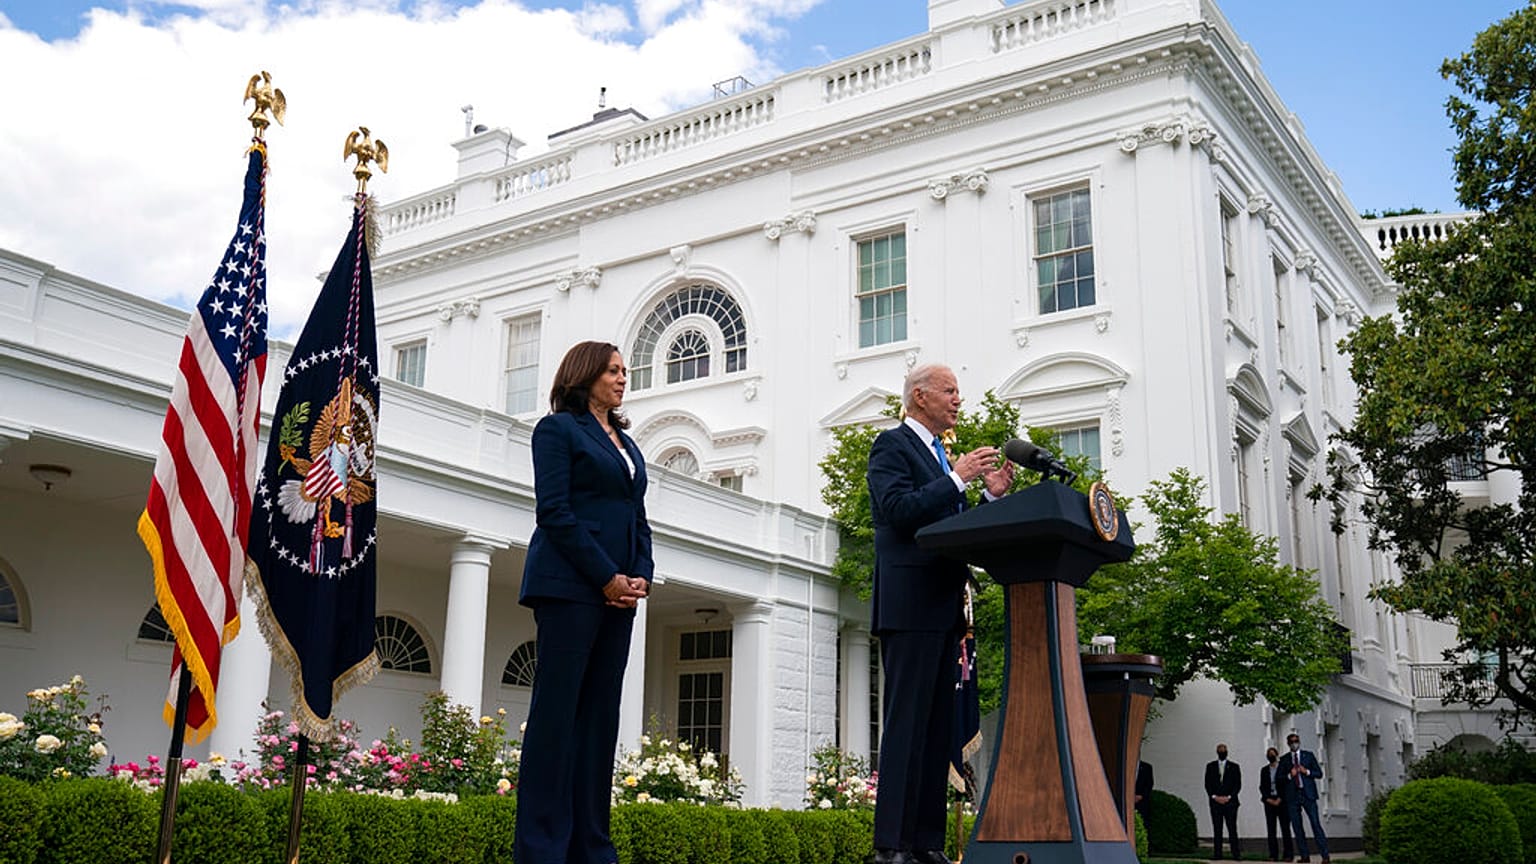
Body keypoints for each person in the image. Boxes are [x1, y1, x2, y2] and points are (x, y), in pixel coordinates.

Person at [867, 364, 1012, 864]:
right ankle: (891, 846)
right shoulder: (891, 446)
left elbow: (953, 529)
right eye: (949, 391)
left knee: (935, 731)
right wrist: (957, 478)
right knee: (906, 726)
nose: (957, 399)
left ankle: (926, 843)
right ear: (920, 396)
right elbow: (897, 510)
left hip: (946, 606)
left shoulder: (939, 455)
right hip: (908, 605)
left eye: (957, 391)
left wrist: (990, 495)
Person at [514, 341, 652, 864]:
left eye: (624, 371)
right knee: (557, 720)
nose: (622, 378)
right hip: (570, 588)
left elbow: (638, 517)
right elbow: (554, 512)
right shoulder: (557, 430)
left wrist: (640, 576)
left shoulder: (628, 444)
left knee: (599, 722)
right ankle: (542, 849)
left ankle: (592, 847)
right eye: (613, 370)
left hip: (620, 598)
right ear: (586, 373)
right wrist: (605, 577)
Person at [1277, 733, 1330, 864]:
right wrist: (1290, 775)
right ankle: (1304, 855)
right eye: (1292, 742)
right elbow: (1279, 778)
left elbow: (1319, 773)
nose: (1294, 743)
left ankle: (1325, 856)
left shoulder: (1308, 755)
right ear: (1288, 744)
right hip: (1293, 796)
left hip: (1308, 794)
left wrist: (1307, 772)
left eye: (1296, 741)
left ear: (1299, 742)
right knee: (1297, 826)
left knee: (1315, 824)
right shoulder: (1284, 760)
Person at [1204, 743, 1242, 860]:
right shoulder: (1210, 766)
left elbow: (1237, 785)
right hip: (1216, 803)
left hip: (1230, 802)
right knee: (1217, 829)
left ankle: (1236, 854)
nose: (1222, 753)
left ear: (1227, 752)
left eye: (1224, 750)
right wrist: (1215, 797)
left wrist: (1229, 797)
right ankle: (1217, 854)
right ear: (1217, 752)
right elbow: (1207, 784)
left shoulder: (1234, 766)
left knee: (1232, 828)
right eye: (1220, 751)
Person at [1258, 746, 1294, 862]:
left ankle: (1288, 854)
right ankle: (1273, 855)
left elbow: (1286, 784)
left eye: (1272, 753)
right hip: (1269, 801)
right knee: (1271, 829)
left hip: (1282, 801)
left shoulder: (1283, 768)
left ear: (1277, 755)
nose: (1270, 756)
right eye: (1269, 754)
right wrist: (1267, 799)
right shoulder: (1264, 770)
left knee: (1285, 828)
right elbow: (1262, 786)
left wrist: (1280, 798)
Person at [1135, 760, 1154, 825]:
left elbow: (1149, 784)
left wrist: (1141, 796)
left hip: (1142, 803)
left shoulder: (1146, 767)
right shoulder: (1125, 766)